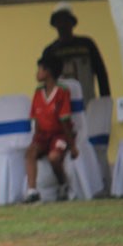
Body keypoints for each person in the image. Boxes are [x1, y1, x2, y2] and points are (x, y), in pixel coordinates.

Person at [24, 54, 78, 203]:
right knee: (30, 153)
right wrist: (37, 141)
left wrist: (71, 145)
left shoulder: (62, 91)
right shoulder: (37, 92)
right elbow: (36, 119)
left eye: (40, 69)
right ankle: (32, 191)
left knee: (54, 157)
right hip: (42, 136)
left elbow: (65, 120)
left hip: (59, 135)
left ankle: (63, 184)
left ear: (48, 72)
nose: (37, 73)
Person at [41, 3, 110, 101]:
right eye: (59, 21)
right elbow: (45, 82)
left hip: (87, 104)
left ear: (72, 23)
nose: (63, 25)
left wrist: (105, 101)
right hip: (61, 109)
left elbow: (101, 73)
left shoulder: (87, 45)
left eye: (66, 21)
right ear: (55, 25)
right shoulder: (50, 51)